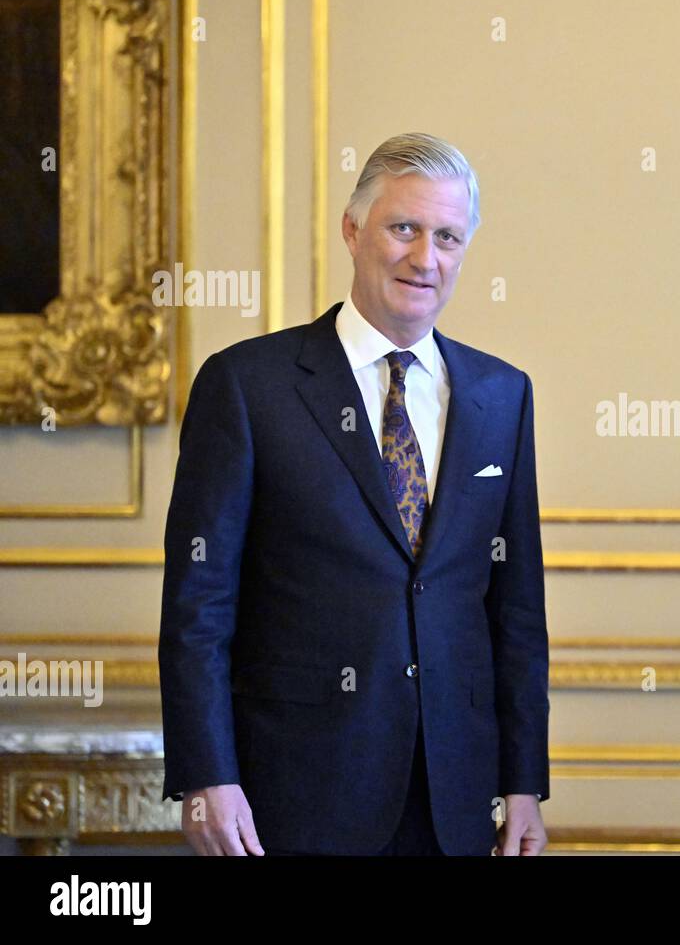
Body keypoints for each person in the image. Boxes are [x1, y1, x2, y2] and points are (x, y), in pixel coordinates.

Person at [159, 133, 549, 856]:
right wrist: (207, 775)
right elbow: (198, 604)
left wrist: (523, 782)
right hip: (294, 791)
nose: (423, 257)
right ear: (352, 229)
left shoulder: (503, 395)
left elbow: (516, 610)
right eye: (403, 228)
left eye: (447, 236)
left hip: (454, 797)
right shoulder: (248, 386)